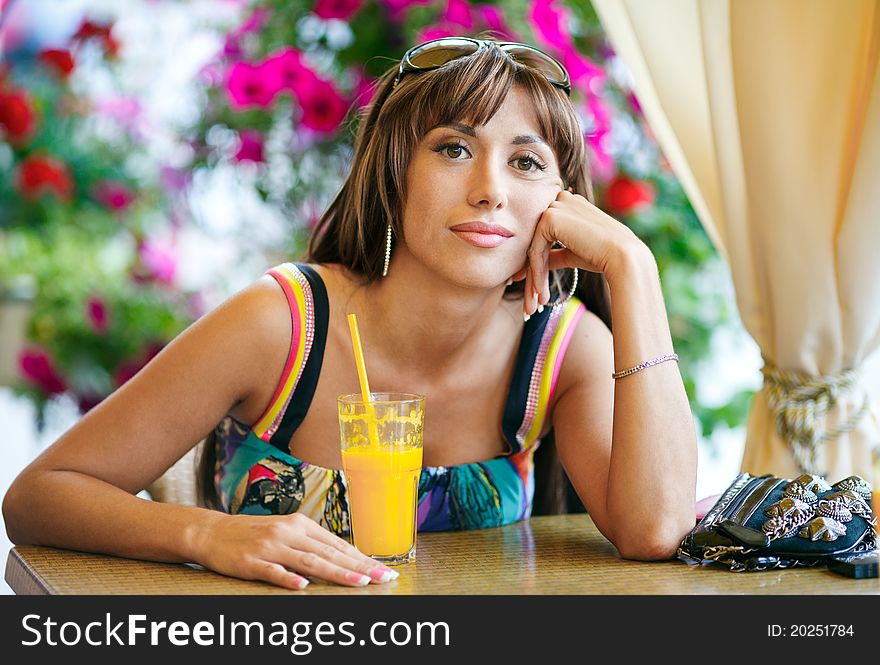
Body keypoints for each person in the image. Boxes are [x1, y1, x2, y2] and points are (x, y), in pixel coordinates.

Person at [2, 37, 698, 590]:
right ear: (394, 174)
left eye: (525, 162)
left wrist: (634, 270)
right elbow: (39, 496)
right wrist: (205, 534)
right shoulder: (281, 325)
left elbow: (654, 531)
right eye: (454, 149)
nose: (491, 191)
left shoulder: (563, 349)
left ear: (562, 201)